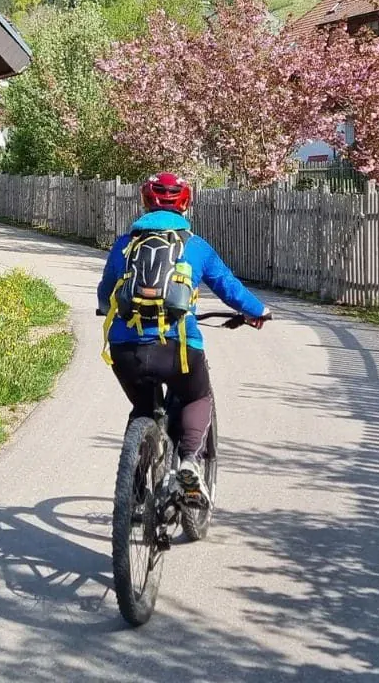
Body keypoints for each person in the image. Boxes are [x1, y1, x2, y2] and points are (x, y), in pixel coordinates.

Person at [96, 171, 270, 501]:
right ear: (186, 205)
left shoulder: (124, 245)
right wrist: (257, 311)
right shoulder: (195, 247)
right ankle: (190, 462)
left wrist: (108, 310)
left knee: (143, 409)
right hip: (177, 348)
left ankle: (132, 490)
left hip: (125, 349)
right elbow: (228, 288)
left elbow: (106, 294)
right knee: (196, 396)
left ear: (145, 202)